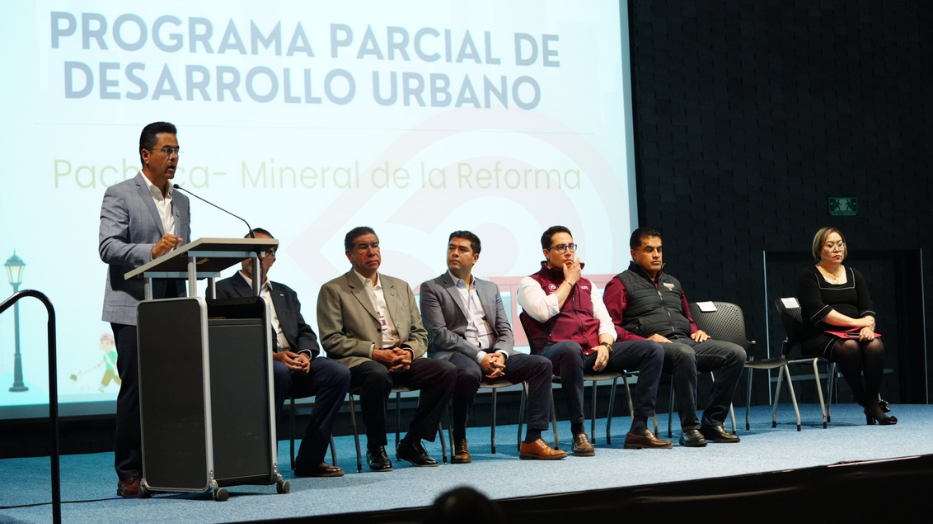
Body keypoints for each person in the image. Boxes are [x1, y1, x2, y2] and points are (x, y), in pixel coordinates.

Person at [517, 226, 671, 455]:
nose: (568, 252)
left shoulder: (587, 285)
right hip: (553, 352)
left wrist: (606, 345)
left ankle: (639, 428)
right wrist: (569, 281)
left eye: (571, 246)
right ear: (547, 253)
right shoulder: (531, 283)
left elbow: (606, 322)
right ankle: (579, 432)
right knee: (570, 349)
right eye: (561, 247)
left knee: (651, 349)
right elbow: (542, 312)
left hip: (592, 351)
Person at [317, 227, 457, 471]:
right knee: (377, 374)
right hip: (362, 363)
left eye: (375, 245)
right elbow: (331, 340)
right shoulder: (334, 289)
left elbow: (420, 332)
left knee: (446, 371)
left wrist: (409, 352)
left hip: (401, 358)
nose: (372, 251)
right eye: (363, 247)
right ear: (349, 255)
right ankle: (376, 447)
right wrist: (375, 352)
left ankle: (412, 442)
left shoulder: (400, 286)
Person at [99, 122, 189, 497]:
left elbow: (182, 254)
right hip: (133, 308)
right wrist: (150, 251)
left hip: (172, 310)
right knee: (136, 390)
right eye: (167, 150)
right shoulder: (120, 193)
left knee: (172, 390)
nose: (174, 157)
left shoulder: (182, 200)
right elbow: (108, 247)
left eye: (177, 150)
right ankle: (130, 472)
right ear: (145, 154)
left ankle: (169, 464)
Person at [214, 228, 351, 477]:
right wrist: (274, 357)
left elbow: (304, 331)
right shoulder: (222, 290)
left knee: (337, 373)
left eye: (264, 251)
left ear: (273, 259)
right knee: (277, 372)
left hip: (292, 366)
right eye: (251, 249)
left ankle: (310, 459)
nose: (256, 255)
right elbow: (227, 340)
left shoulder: (285, 292)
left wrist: (305, 355)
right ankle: (265, 462)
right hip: (253, 369)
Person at [420, 231, 565, 462]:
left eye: (462, 249)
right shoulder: (432, 287)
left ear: (475, 257)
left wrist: (501, 354)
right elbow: (440, 334)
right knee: (469, 373)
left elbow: (504, 328)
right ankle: (460, 439)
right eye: (451, 248)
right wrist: (480, 357)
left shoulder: (489, 288)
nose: (454, 253)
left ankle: (533, 440)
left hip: (494, 353)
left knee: (542, 365)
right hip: (456, 353)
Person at [604, 228, 746, 447]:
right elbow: (610, 326)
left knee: (735, 353)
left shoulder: (672, 282)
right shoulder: (620, 283)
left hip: (684, 340)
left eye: (659, 249)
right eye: (649, 250)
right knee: (684, 353)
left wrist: (695, 330)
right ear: (634, 253)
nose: (656, 255)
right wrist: (644, 340)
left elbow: (686, 317)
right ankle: (690, 428)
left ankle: (713, 422)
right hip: (649, 348)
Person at [797, 227, 895, 425]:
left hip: (853, 333)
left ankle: (871, 402)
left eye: (840, 244)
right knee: (849, 347)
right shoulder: (809, 275)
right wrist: (858, 323)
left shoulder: (854, 274)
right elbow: (821, 312)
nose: (837, 249)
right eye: (830, 245)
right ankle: (861, 395)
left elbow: (867, 308)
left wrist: (868, 328)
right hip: (819, 335)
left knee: (875, 345)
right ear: (819, 250)